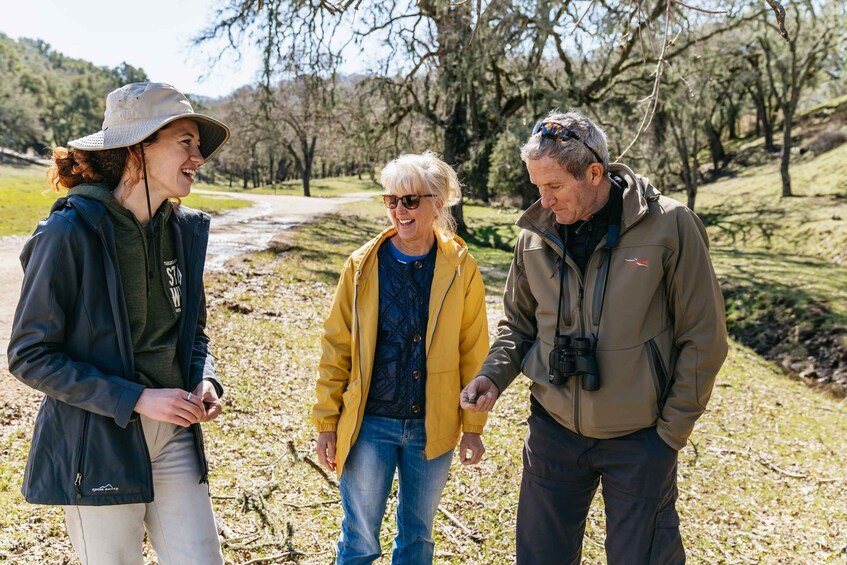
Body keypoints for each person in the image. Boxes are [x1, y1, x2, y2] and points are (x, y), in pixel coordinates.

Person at [460, 110, 728, 564]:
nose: (543, 201)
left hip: (641, 441)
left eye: (554, 187)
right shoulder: (533, 236)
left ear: (594, 172)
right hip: (553, 433)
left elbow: (704, 338)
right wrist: (493, 375)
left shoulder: (670, 226)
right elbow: (519, 326)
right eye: (537, 187)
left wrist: (668, 436)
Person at [7, 82, 231, 565]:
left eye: (198, 145)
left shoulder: (182, 231)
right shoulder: (69, 232)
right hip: (98, 441)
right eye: (185, 142)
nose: (199, 157)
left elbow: (193, 334)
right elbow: (30, 356)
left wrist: (204, 376)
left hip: (174, 437)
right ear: (137, 148)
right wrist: (137, 398)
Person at [313, 151, 490, 564]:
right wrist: (325, 422)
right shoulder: (361, 265)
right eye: (391, 200)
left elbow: (473, 351)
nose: (399, 210)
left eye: (410, 200)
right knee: (358, 540)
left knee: (417, 541)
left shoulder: (462, 268)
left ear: (438, 203)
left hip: (434, 426)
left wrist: (473, 427)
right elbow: (336, 348)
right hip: (369, 425)